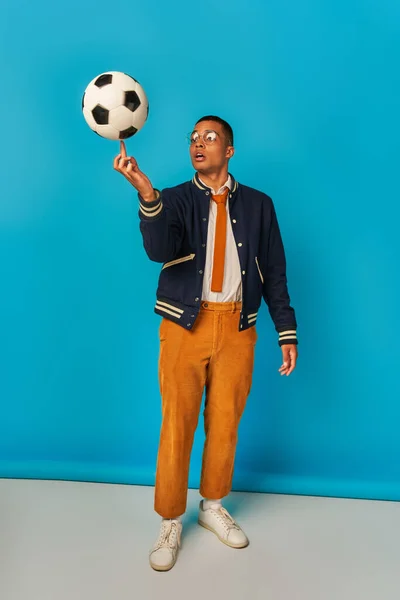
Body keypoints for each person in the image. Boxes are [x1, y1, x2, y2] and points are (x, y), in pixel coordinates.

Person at [114, 116, 298, 571]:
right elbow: (158, 251)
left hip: (238, 326)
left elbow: (274, 270)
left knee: (226, 421)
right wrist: (146, 194)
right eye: (193, 138)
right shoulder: (173, 198)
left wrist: (286, 330)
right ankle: (170, 520)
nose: (199, 144)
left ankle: (212, 503)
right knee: (177, 423)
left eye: (209, 137)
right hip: (184, 327)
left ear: (229, 150)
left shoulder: (259, 204)